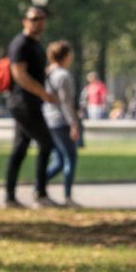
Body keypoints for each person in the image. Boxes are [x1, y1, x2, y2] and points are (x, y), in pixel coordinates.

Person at [3, 4, 59, 209]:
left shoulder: (36, 45)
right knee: (47, 143)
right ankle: (40, 192)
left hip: (31, 102)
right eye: (34, 19)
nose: (39, 22)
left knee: (20, 149)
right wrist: (43, 93)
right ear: (24, 21)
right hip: (23, 103)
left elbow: (37, 71)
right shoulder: (20, 44)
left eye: (42, 18)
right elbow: (19, 75)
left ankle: (10, 196)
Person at [42, 40, 82, 206]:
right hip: (61, 121)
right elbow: (66, 102)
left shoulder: (47, 73)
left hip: (48, 119)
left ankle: (39, 185)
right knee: (70, 159)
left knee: (58, 160)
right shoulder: (63, 75)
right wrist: (74, 123)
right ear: (66, 56)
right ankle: (67, 196)